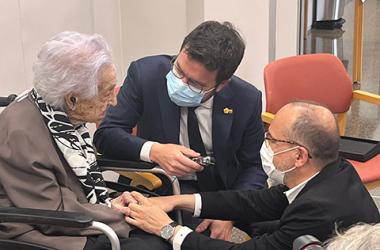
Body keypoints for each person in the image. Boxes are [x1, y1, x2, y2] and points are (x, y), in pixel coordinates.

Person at [119, 101, 380, 249]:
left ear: (299, 156)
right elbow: (255, 202)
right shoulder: (335, 170)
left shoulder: (318, 211)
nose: (264, 145)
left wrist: (166, 229)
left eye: (272, 139)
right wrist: (176, 201)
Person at [93, 20, 267, 239]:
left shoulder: (247, 99)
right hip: (163, 189)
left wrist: (229, 211)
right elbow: (106, 134)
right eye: (178, 70)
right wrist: (154, 150)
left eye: (195, 84)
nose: (181, 83)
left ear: (221, 84)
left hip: (222, 193)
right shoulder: (146, 74)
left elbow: (254, 167)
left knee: (285, 226)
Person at [0, 31, 170, 250]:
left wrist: (112, 205)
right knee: (152, 244)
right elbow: (52, 214)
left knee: (161, 225)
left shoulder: (59, 113)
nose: (114, 101)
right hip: (39, 228)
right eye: (107, 93)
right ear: (72, 99)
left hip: (74, 209)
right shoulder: (20, 132)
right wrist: (116, 212)